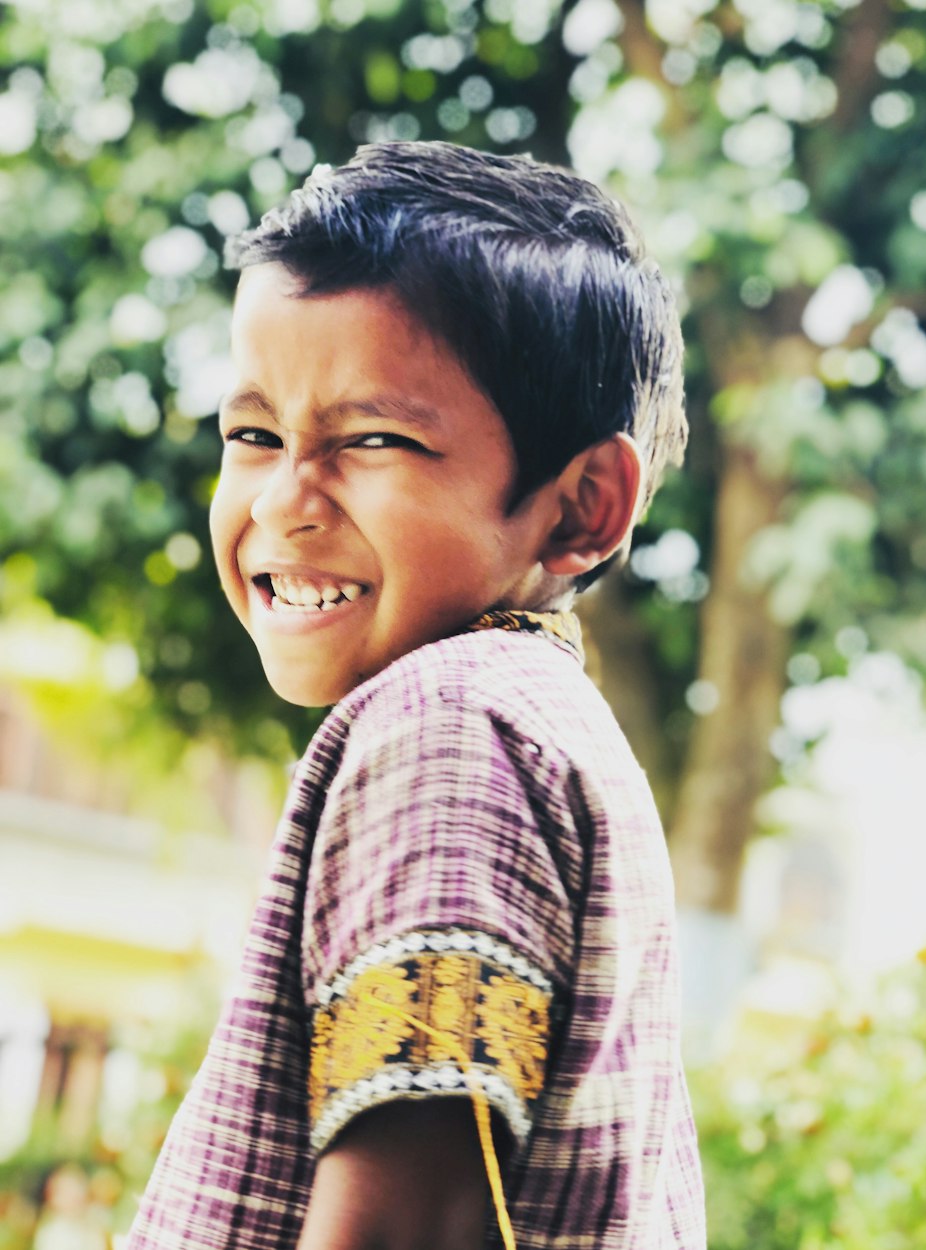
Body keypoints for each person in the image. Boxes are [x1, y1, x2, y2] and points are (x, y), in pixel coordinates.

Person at [125, 140, 705, 1250]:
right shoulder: (532, 719)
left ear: (583, 505)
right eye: (252, 435)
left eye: (374, 439)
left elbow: (411, 1223)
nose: (285, 500)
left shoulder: (449, 727)